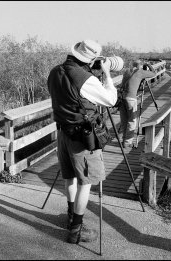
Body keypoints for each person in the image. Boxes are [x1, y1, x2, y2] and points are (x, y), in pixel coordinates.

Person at [47, 39, 120, 244]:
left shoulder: (55, 71)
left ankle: (71, 217)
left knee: (69, 177)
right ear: (92, 59)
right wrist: (106, 73)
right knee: (85, 183)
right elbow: (110, 100)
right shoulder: (86, 79)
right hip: (82, 137)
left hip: (63, 132)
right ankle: (76, 230)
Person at [118, 60, 156, 148]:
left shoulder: (127, 71)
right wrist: (148, 64)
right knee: (132, 121)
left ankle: (124, 140)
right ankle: (127, 142)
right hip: (131, 99)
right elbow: (153, 73)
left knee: (124, 120)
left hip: (121, 98)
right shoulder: (140, 72)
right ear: (140, 66)